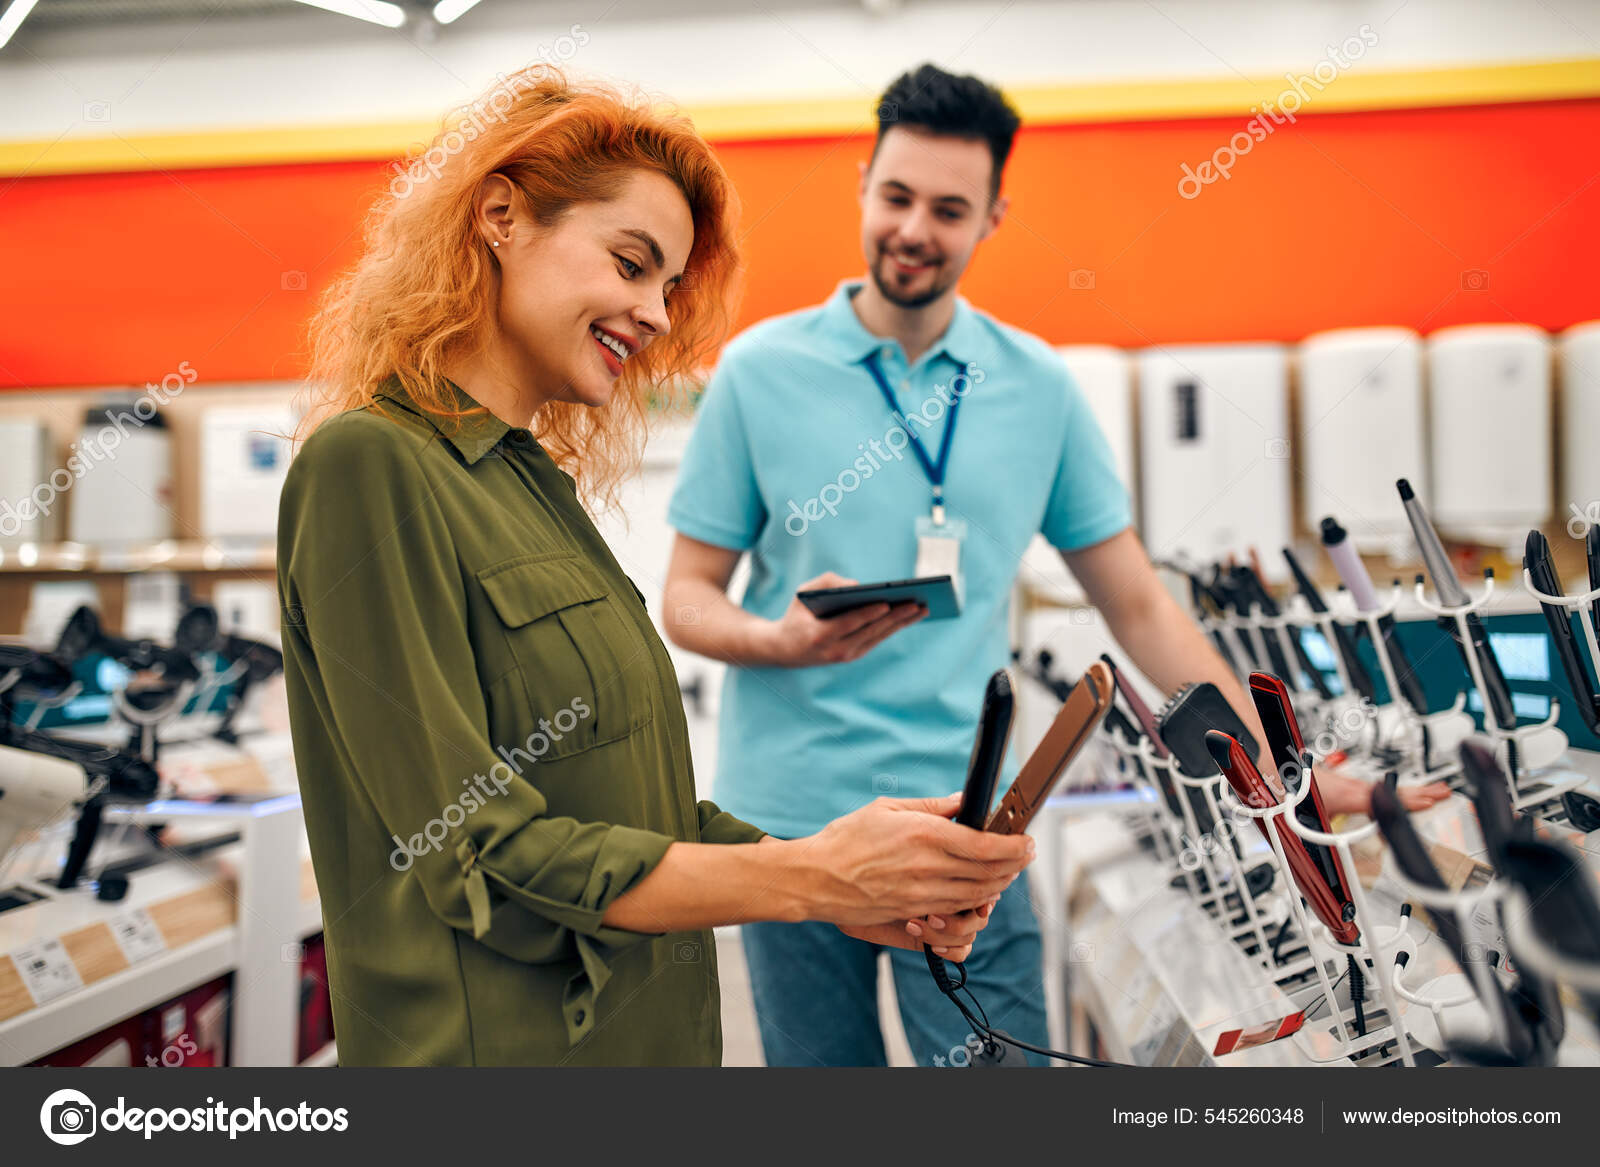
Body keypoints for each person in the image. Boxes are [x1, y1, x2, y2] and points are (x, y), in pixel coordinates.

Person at [661, 62, 1448, 1068]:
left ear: (992, 216)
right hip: (789, 823)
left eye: (949, 209)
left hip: (974, 819)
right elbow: (684, 600)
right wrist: (777, 640)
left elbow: (1138, 607)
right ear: (862, 183)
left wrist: (1279, 771)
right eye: (896, 197)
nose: (913, 229)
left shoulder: (1035, 388)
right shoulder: (758, 374)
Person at [276, 65, 1031, 1068]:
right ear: (501, 215)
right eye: (632, 264)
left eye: (669, 286)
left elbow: (636, 814)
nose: (659, 314)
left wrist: (832, 865)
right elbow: (475, 852)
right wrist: (811, 883)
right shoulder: (369, 467)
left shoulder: (533, 486)